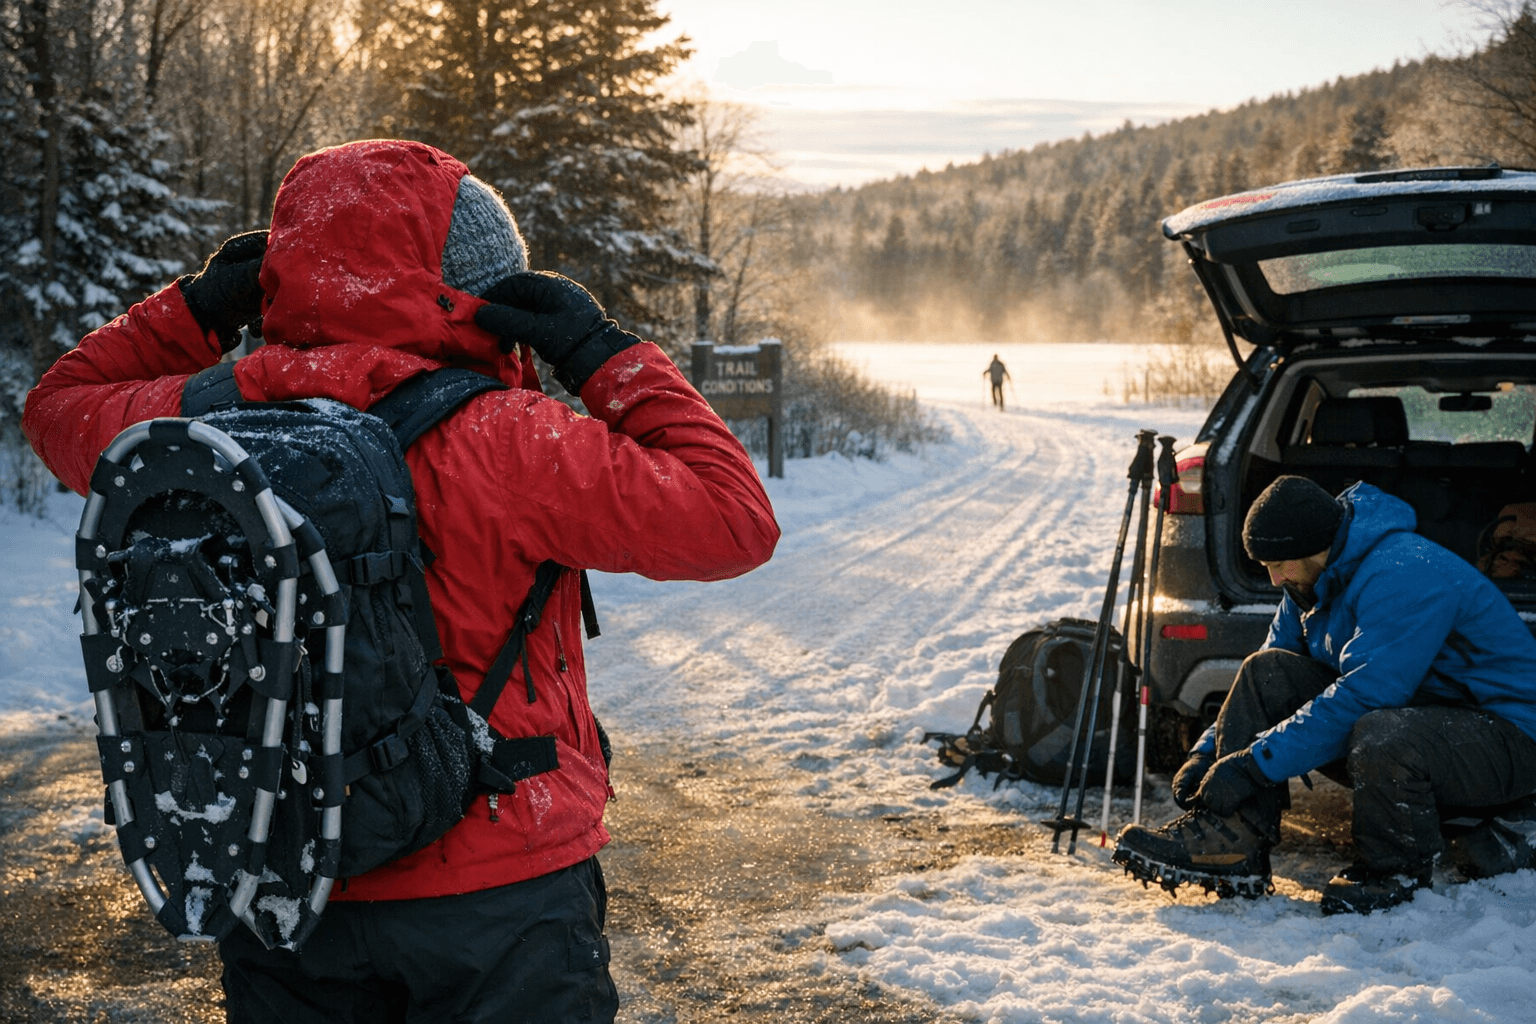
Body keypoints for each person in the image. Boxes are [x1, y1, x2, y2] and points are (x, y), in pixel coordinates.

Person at [23, 139, 780, 1021]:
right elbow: (735, 518)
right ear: (473, 288)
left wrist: (197, 307)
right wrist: (601, 353)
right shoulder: (508, 440)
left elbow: (56, 405)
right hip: (499, 890)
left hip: (286, 878)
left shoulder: (203, 422)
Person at [1115, 475, 1536, 914]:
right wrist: (1208, 755)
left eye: (1279, 563)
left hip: (1512, 735)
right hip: (1433, 715)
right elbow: (1270, 665)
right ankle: (1233, 843)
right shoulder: (1310, 580)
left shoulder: (1405, 573)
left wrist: (1253, 765)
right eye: (1265, 566)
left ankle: (1395, 870)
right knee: (1267, 672)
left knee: (1383, 733)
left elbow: (1371, 694)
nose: (1274, 577)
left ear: (1316, 546)